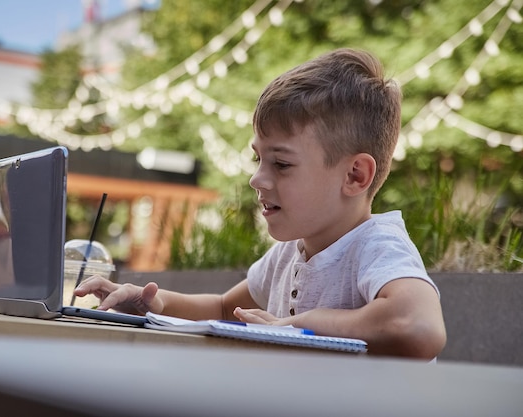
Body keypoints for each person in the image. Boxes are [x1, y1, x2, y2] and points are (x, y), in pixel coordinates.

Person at [75, 48, 447, 359]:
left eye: (281, 164)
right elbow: (225, 309)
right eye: (259, 159)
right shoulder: (289, 252)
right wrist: (151, 303)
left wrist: (302, 324)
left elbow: (418, 325)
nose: (257, 179)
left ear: (354, 176)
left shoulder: (376, 245)